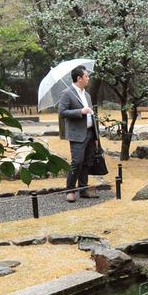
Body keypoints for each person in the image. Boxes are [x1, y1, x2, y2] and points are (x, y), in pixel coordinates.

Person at [58, 65, 100, 202]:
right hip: (77, 134)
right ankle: (70, 191)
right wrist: (80, 112)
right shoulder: (67, 93)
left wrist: (95, 135)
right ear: (79, 78)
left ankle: (83, 190)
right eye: (86, 76)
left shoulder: (87, 95)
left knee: (87, 162)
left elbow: (92, 116)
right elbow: (62, 112)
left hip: (90, 132)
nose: (88, 78)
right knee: (77, 162)